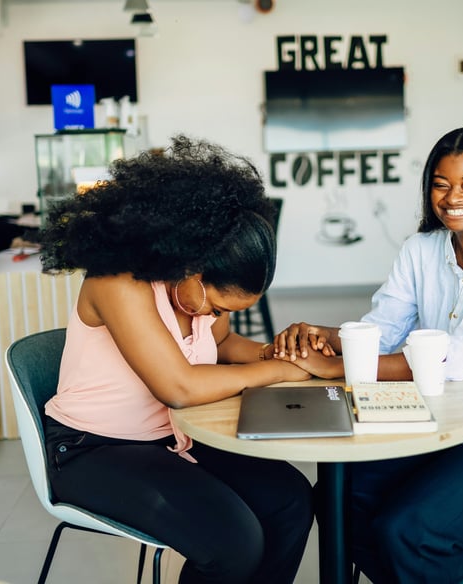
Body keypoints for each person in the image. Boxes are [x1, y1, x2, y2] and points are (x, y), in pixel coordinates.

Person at [272, 125, 463, 583]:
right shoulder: (421, 248)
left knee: (410, 532)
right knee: (339, 501)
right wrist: (326, 336)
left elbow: (453, 357)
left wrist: (334, 366)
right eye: (441, 184)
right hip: (440, 410)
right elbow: (383, 331)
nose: (454, 197)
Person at [38, 136, 314, 584]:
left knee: (290, 503)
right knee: (234, 543)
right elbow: (179, 388)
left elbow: (223, 347)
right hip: (93, 449)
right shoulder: (118, 281)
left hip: (173, 440)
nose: (216, 318)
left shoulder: (194, 294)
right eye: (217, 306)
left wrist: (277, 351)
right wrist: (282, 371)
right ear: (191, 264)